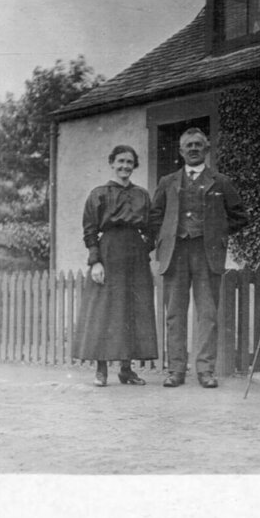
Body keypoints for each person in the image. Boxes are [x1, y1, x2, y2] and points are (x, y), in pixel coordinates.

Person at [149, 127, 249, 388]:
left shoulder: (220, 181)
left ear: (207, 149)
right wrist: (165, 237)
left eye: (198, 145)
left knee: (207, 313)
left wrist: (217, 232)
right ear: (181, 151)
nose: (193, 149)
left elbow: (240, 216)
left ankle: (205, 371)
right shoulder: (167, 182)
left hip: (207, 253)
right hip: (175, 253)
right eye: (188, 145)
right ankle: (176, 370)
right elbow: (154, 217)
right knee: (175, 314)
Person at [72, 145, 158, 387]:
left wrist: (145, 246)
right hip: (108, 252)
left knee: (132, 308)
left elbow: (152, 227)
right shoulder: (99, 194)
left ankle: (126, 370)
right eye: (120, 161)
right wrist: (96, 261)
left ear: (134, 166)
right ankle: (101, 370)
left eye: (129, 162)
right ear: (112, 163)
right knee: (105, 310)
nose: (125, 166)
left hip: (135, 256)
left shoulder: (142, 194)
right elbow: (89, 230)